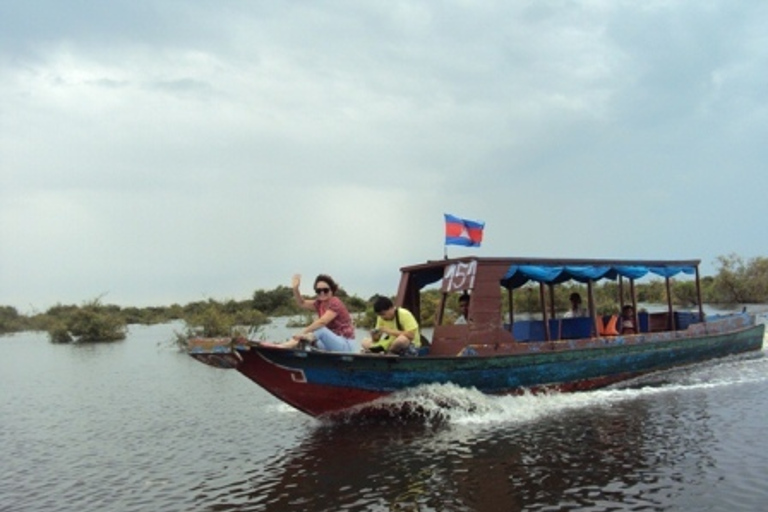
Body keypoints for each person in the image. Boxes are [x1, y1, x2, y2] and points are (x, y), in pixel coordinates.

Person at [281, 274, 358, 352]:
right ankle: (287, 347)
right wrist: (295, 289)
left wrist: (302, 333)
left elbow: (322, 322)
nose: (322, 293)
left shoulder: (335, 302)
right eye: (318, 291)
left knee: (319, 329)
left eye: (325, 290)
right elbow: (302, 303)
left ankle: (286, 345)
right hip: (331, 343)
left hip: (346, 344)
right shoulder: (320, 303)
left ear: (332, 290)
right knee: (309, 341)